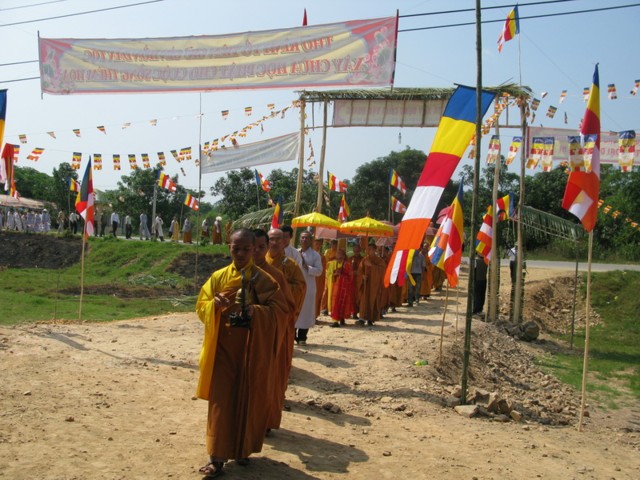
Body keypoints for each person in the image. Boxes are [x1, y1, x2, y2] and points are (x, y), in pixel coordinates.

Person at [195, 229, 288, 477]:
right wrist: (213, 306)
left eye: (246, 249)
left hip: (251, 350)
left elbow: (280, 311)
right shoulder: (218, 277)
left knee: (248, 399)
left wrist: (254, 312)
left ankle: (243, 448)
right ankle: (216, 457)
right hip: (223, 349)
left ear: (255, 249)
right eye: (236, 248)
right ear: (229, 248)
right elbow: (201, 305)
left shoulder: (263, 279)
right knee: (221, 402)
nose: (241, 253)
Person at [251, 228, 295, 434]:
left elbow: (290, 304)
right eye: (252, 247)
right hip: (245, 335)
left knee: (268, 377)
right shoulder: (235, 272)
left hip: (273, 333)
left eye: (262, 246)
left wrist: (260, 312)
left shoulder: (283, 270)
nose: (256, 251)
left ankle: (265, 420)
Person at [295, 231, 323, 345]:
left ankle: (302, 337)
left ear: (310, 240)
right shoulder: (295, 253)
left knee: (305, 313)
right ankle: (292, 336)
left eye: (306, 238)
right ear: (299, 239)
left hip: (308, 288)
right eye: (302, 237)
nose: (304, 240)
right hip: (296, 287)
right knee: (295, 310)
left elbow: (319, 271)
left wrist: (308, 267)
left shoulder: (315, 255)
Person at [357, 243, 386, 326]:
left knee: (373, 300)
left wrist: (371, 265)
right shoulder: (364, 260)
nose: (368, 251)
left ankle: (371, 318)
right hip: (365, 285)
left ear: (374, 250)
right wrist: (362, 276)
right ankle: (362, 318)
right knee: (364, 300)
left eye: (370, 249)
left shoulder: (380, 261)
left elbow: (382, 271)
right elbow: (359, 271)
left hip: (374, 285)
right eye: (367, 249)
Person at [328, 249, 354, 327]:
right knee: (335, 302)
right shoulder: (332, 263)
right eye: (337, 254)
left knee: (343, 303)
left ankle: (341, 319)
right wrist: (334, 274)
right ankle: (335, 321)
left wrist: (342, 275)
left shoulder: (347, 265)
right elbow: (329, 274)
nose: (338, 255)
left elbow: (351, 276)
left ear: (343, 256)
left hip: (344, 288)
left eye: (340, 254)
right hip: (335, 287)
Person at [320, 239, 338, 314]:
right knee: (327, 289)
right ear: (331, 245)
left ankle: (333, 307)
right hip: (329, 273)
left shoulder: (339, 252)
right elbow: (326, 261)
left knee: (335, 290)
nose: (334, 246)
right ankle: (324, 307)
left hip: (336, 273)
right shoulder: (327, 251)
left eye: (335, 244)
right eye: (333, 244)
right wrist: (333, 258)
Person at [349, 242, 364, 319]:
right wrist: (353, 272)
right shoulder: (350, 259)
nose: (356, 253)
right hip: (352, 281)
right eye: (355, 251)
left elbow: (364, 270)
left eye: (357, 251)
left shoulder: (363, 259)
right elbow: (348, 269)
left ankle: (361, 313)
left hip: (360, 281)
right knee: (352, 297)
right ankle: (354, 313)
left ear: (360, 250)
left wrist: (359, 273)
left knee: (360, 297)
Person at [313, 238, 327, 319]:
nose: (318, 246)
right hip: (310, 279)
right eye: (316, 244)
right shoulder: (308, 255)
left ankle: (314, 316)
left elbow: (323, 269)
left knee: (317, 296)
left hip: (318, 280)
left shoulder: (322, 257)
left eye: (319, 244)